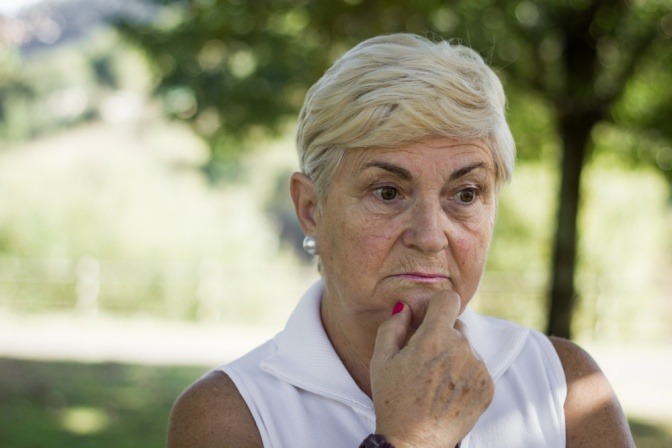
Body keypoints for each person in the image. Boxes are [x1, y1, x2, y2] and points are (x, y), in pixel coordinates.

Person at [167, 33, 634, 447]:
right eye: (387, 192)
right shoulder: (228, 415)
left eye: (465, 194)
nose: (431, 237)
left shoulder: (567, 389)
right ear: (311, 209)